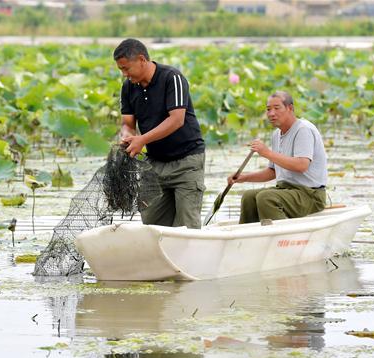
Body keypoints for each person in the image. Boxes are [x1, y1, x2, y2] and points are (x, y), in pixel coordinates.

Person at [114, 39, 207, 229]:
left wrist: (142, 139)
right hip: (154, 164)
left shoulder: (172, 77)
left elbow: (177, 119)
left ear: (142, 59)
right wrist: (127, 136)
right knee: (152, 225)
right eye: (121, 70)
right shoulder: (128, 87)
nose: (124, 74)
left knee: (187, 227)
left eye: (126, 68)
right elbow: (128, 123)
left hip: (186, 162)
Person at [229, 91, 328, 224]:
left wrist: (266, 152)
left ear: (290, 108)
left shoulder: (303, 129)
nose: (271, 113)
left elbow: (301, 165)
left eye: (276, 108)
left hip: (310, 195)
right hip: (286, 190)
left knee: (266, 198)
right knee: (248, 197)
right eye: (268, 109)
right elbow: (273, 171)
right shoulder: (276, 134)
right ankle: (248, 235)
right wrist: (243, 178)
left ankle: (281, 234)